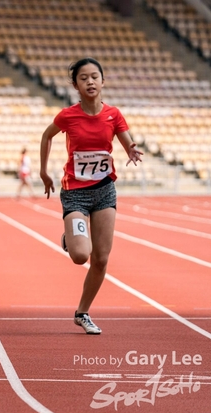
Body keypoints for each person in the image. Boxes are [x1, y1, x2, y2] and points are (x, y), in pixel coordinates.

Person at [39, 57, 142, 335]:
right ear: (76, 85)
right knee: (80, 255)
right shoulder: (67, 116)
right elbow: (47, 136)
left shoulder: (114, 114)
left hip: (105, 190)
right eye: (83, 78)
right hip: (75, 193)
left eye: (95, 76)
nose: (90, 82)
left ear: (103, 81)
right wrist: (44, 171)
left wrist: (131, 149)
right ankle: (71, 239)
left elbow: (126, 137)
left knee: (101, 259)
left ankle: (82, 312)